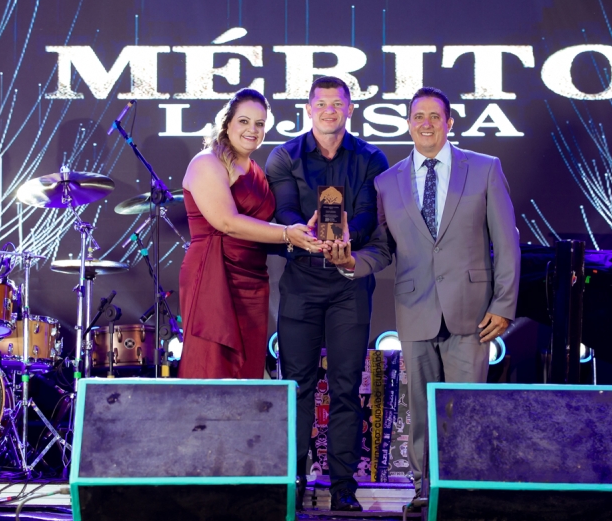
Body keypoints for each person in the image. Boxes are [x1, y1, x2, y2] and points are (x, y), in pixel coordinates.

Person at [324, 87, 521, 508]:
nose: (426, 124)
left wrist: (504, 305)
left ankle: (465, 492)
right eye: (418, 117)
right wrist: (350, 263)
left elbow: (507, 242)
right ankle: (424, 490)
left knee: (466, 409)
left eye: (435, 116)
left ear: (450, 123)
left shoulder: (484, 168)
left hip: (473, 311)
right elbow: (383, 249)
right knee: (421, 409)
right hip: (415, 310)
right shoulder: (387, 182)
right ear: (408, 124)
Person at [265, 76, 389, 511]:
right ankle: (294, 481)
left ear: (350, 109)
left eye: (338, 103)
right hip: (301, 279)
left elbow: (370, 213)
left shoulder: (371, 157)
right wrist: (305, 232)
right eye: (322, 104)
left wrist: (346, 240)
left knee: (345, 386)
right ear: (309, 109)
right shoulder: (285, 156)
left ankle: (343, 487)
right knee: (296, 385)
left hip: (349, 283)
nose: (329, 110)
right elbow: (284, 209)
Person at [179, 88, 321, 379]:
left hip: (253, 277)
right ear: (227, 123)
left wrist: (310, 235)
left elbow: (266, 226)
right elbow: (227, 222)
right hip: (213, 272)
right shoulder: (207, 162)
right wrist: (287, 234)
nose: (252, 130)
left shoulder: (256, 170)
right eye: (244, 121)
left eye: (259, 123)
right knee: (212, 366)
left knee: (247, 370)